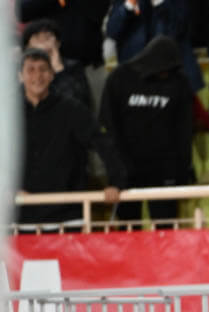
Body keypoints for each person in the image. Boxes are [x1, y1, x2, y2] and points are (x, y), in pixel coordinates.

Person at [19, 49, 125, 226]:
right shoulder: (8, 114)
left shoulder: (73, 110)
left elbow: (103, 143)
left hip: (68, 216)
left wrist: (116, 183)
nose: (37, 76)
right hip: (22, 218)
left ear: (52, 74)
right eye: (31, 70)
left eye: (43, 69)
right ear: (20, 76)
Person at [99, 36, 194, 223]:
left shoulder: (180, 82)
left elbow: (184, 131)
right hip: (126, 168)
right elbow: (108, 124)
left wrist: (182, 171)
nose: (166, 73)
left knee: (165, 229)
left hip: (164, 171)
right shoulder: (120, 78)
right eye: (163, 69)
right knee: (128, 228)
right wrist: (115, 169)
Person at [105, 0, 203, 94]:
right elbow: (112, 31)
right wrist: (129, 5)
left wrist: (159, 3)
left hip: (170, 76)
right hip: (135, 75)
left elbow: (178, 28)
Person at [21, 19, 92, 111]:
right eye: (38, 39)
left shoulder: (73, 67)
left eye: (47, 38)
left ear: (58, 43)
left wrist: (59, 69)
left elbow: (79, 104)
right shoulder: (23, 71)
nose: (44, 44)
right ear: (27, 47)